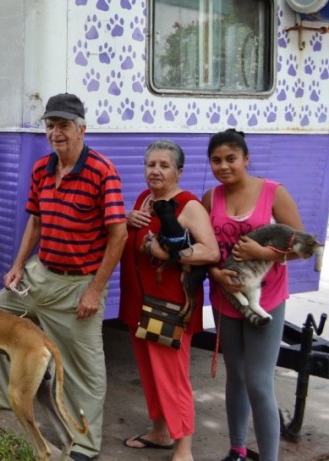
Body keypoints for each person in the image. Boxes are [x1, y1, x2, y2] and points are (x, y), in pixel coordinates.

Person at [0, 93, 127, 461]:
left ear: (82, 129)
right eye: (51, 125)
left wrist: (94, 290)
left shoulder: (103, 171)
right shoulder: (42, 168)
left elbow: (119, 235)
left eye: (64, 126)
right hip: (39, 274)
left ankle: (84, 443)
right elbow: (35, 221)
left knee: (83, 370)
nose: (56, 133)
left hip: (77, 286)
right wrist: (18, 264)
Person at [201, 129, 303, 461]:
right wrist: (216, 273)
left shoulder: (274, 193)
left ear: (246, 159)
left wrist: (265, 252)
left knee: (259, 383)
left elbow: (302, 247)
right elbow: (206, 251)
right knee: (236, 376)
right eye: (216, 160)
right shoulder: (210, 198)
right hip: (226, 299)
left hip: (265, 299)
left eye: (231, 158)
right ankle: (237, 450)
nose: (224, 166)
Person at [120, 140, 220, 461]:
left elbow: (211, 251)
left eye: (164, 165)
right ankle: (160, 431)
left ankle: (184, 449)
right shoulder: (144, 199)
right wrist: (127, 219)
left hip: (169, 307)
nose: (156, 171)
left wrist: (171, 252)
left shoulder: (188, 205)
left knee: (173, 378)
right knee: (151, 374)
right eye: (151, 164)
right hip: (140, 303)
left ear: (179, 171)